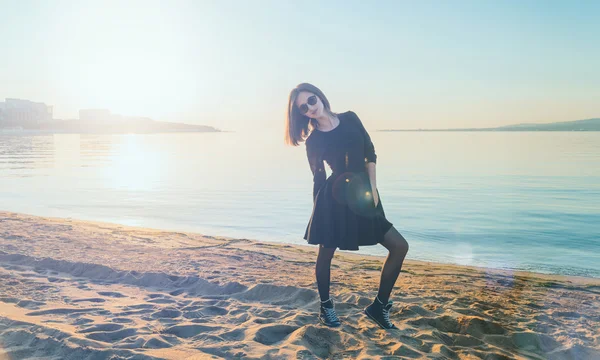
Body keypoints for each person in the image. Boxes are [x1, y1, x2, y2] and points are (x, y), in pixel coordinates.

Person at [284, 83, 410, 329]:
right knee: (326, 253)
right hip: (334, 199)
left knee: (399, 246)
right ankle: (326, 307)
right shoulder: (314, 140)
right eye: (303, 107)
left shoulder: (350, 118)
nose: (310, 106)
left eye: (311, 99)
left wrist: (373, 188)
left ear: (318, 95)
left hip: (363, 194)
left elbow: (369, 153)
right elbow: (318, 178)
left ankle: (378, 306)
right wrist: (317, 216)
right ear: (301, 113)